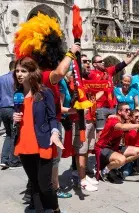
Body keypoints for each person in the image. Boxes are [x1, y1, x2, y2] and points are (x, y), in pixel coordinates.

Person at [13, 13, 81, 201]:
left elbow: (55, 105)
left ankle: (32, 194)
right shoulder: (44, 76)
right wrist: (71, 52)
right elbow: (60, 72)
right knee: (49, 161)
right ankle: (49, 194)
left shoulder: (35, 77)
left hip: (40, 123)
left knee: (38, 162)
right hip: (47, 127)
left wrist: (70, 110)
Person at [12, 57, 64, 213]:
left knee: (44, 184)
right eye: (17, 71)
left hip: (43, 142)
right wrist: (15, 118)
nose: (19, 74)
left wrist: (55, 133)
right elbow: (19, 116)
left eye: (23, 71)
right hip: (24, 143)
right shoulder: (18, 94)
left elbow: (52, 117)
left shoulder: (44, 92)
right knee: (34, 183)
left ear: (32, 72)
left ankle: (55, 209)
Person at [94, 103, 139, 182]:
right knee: (121, 159)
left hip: (114, 148)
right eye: (126, 110)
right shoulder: (113, 120)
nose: (129, 112)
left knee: (138, 151)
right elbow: (121, 127)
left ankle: (113, 167)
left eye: (129, 109)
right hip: (102, 148)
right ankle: (103, 171)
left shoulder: (124, 120)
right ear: (119, 111)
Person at [90, 52, 139, 134]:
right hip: (100, 107)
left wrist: (133, 56)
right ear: (94, 64)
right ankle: (100, 147)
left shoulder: (108, 71)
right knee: (101, 132)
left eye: (103, 61)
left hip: (112, 107)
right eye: (100, 61)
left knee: (113, 131)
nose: (103, 62)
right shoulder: (91, 74)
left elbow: (122, 65)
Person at [0, 61, 22, 169]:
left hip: (3, 108)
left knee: (8, 134)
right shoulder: (17, 79)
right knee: (15, 135)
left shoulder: (1, 78)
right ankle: (13, 160)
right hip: (13, 109)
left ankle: (4, 159)